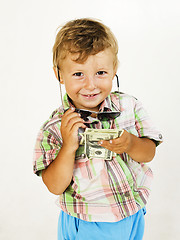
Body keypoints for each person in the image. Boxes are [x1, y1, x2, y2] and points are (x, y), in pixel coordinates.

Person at [33, 18, 163, 240]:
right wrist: (68, 147)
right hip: (86, 220)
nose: (90, 85)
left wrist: (131, 143)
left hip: (131, 213)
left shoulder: (129, 107)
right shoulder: (54, 127)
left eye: (100, 73)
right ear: (59, 75)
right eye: (78, 74)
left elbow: (149, 153)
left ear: (114, 70)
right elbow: (54, 186)